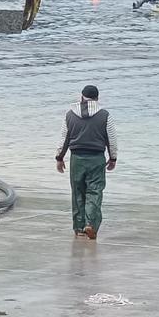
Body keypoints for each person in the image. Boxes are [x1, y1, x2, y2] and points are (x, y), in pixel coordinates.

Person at [55, 85, 117, 240]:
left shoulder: (70, 115)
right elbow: (112, 139)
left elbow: (64, 139)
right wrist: (113, 158)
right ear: (97, 98)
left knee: (78, 192)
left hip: (76, 158)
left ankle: (79, 227)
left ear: (81, 97)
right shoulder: (105, 115)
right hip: (96, 158)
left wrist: (59, 158)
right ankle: (91, 224)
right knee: (94, 191)